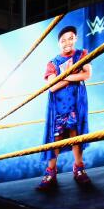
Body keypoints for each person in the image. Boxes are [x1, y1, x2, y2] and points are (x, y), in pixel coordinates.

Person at [37, 26, 92, 191]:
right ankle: (51, 171)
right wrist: (70, 76)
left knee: (76, 135)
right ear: (58, 43)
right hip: (59, 105)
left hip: (76, 102)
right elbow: (52, 87)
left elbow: (87, 75)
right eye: (63, 40)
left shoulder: (81, 54)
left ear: (75, 38)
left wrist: (66, 75)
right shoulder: (53, 62)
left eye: (70, 38)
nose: (67, 42)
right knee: (56, 138)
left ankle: (79, 168)